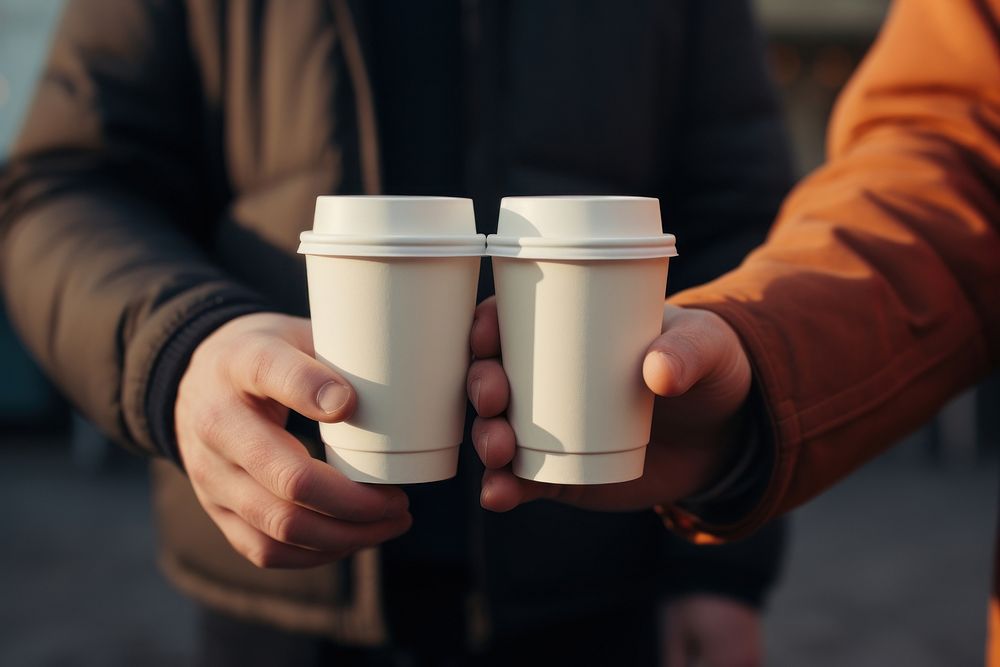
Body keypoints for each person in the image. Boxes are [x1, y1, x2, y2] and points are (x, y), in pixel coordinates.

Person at [0, 0, 791, 664]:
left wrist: (720, 555)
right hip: (281, 584)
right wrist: (181, 348)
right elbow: (65, 185)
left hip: (603, 571)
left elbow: (742, 219)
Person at [468, 0, 1000, 661]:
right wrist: (754, 354)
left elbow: (733, 203)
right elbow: (957, 163)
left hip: (606, 571)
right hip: (321, 581)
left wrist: (716, 569)